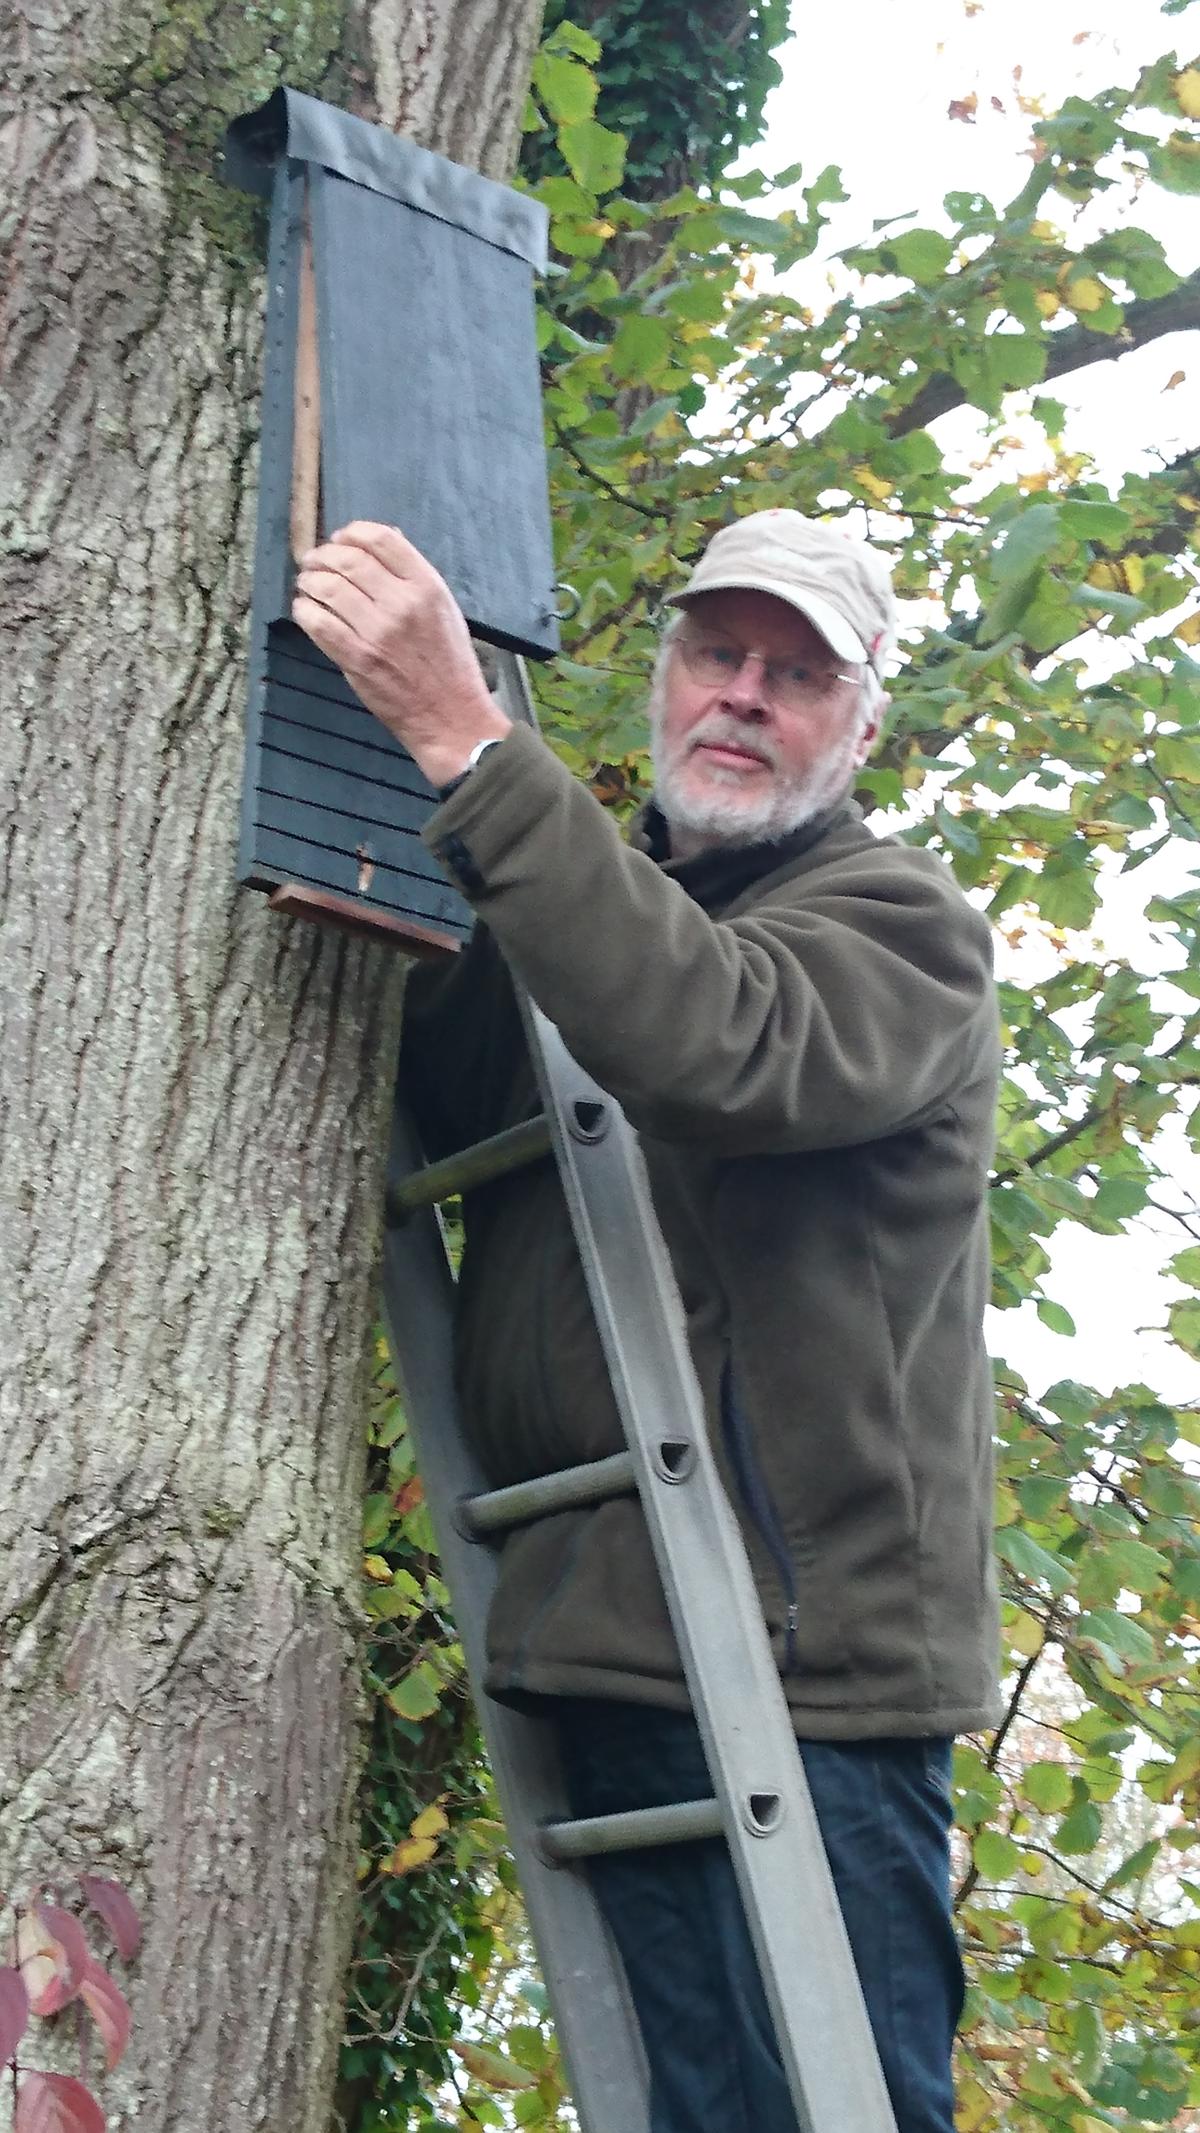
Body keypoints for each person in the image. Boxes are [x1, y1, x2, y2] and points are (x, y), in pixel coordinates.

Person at [293, 508, 1003, 2133]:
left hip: (804, 1689)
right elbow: (464, 1051)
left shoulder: (901, 925)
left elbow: (718, 1039)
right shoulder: (580, 919)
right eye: (717, 653)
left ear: (862, 727)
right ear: (664, 678)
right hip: (612, 1650)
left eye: (798, 675)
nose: (744, 694)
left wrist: (471, 744)